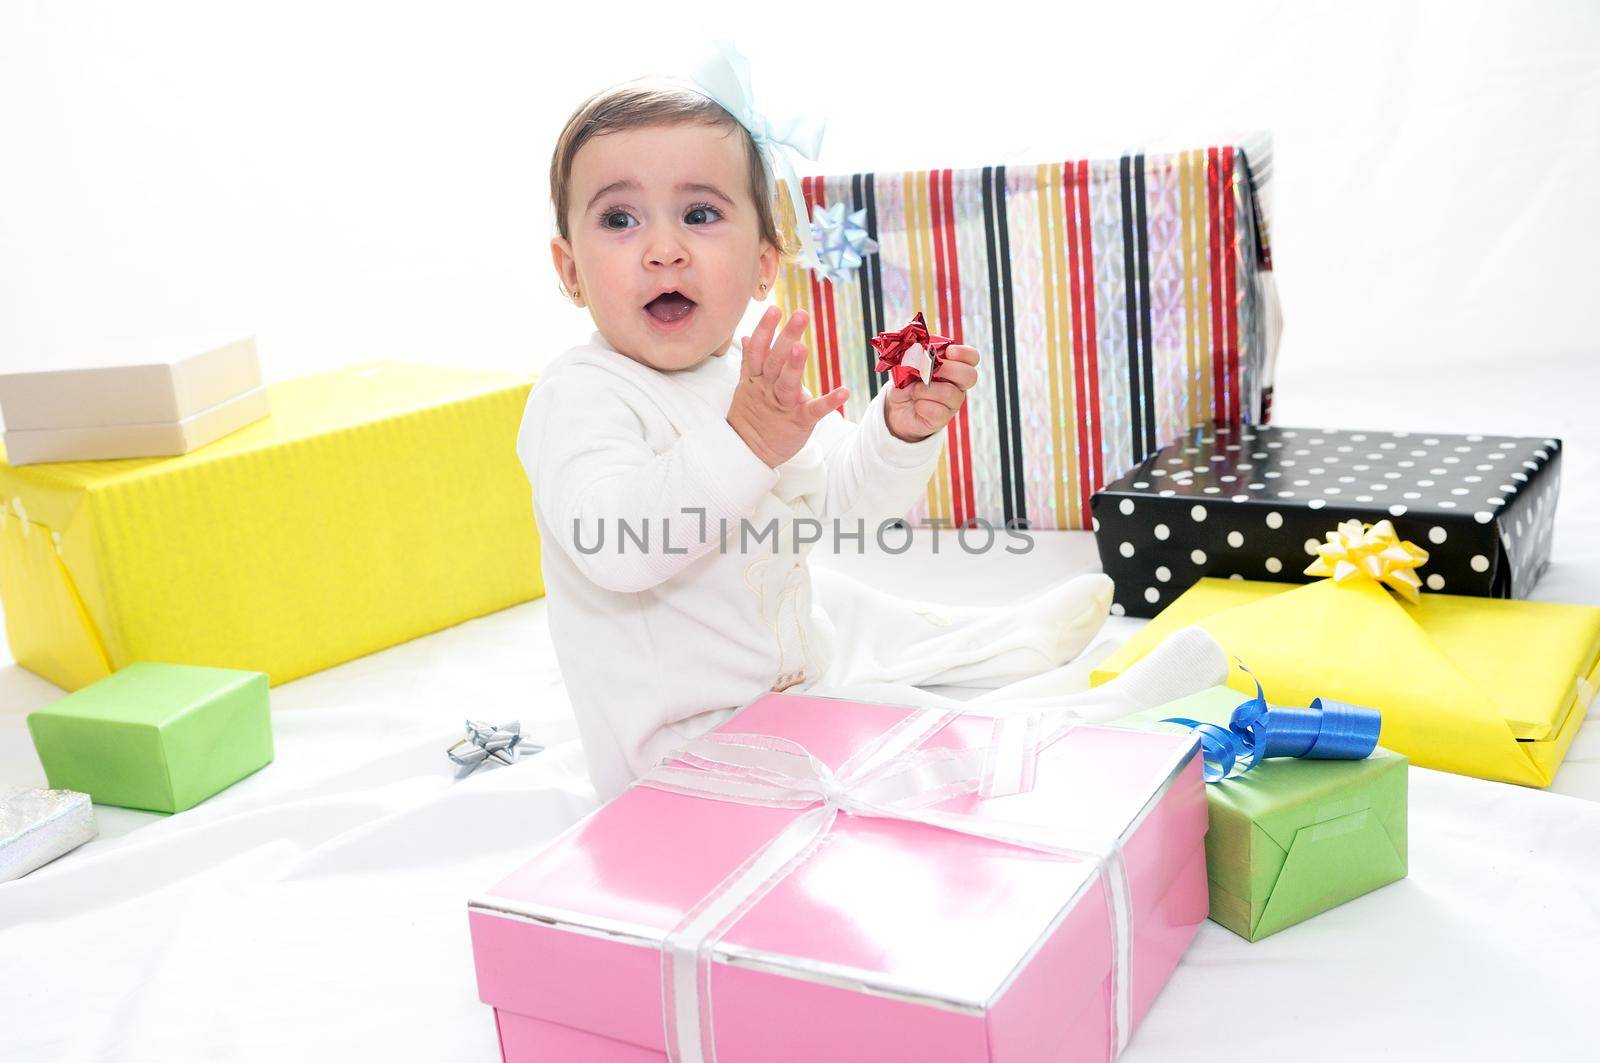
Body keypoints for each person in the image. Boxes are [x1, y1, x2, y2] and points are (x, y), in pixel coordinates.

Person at [520, 44, 1212, 801]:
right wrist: (746, 440)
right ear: (571, 271)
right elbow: (617, 547)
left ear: (762, 264)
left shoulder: (742, 381)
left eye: (699, 213)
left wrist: (897, 431)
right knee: (900, 732)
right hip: (688, 760)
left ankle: (993, 640)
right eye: (619, 218)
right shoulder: (580, 396)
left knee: (849, 611)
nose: (663, 249)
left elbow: (843, 506)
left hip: (786, 675)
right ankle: (1097, 711)